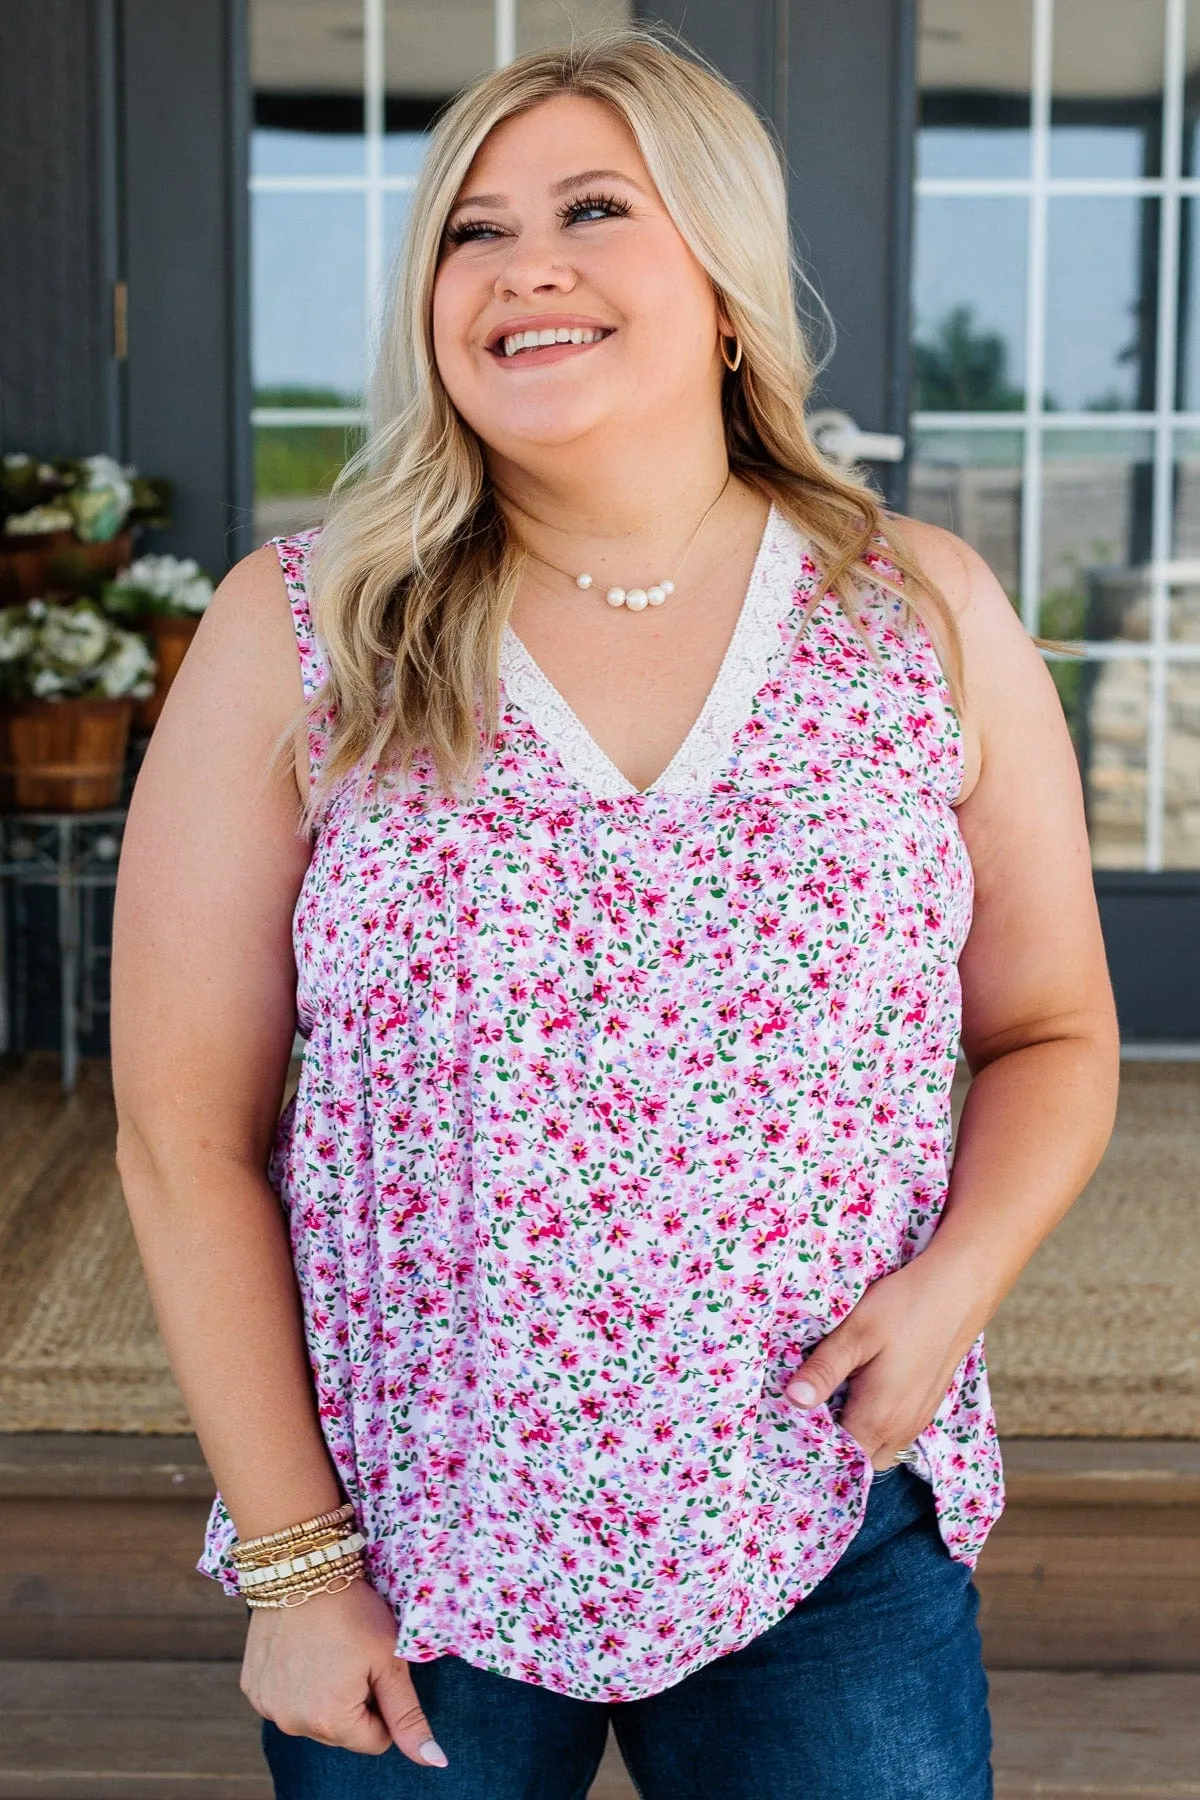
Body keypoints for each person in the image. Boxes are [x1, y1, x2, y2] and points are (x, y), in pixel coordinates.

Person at [111, 26, 1119, 1800]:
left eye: (591, 207)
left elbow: (1053, 1031)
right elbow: (181, 1137)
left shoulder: (920, 616)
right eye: (469, 232)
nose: (525, 267)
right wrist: (294, 1564)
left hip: (822, 1523)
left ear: (725, 284)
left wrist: (960, 1285)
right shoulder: (303, 630)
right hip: (415, 1543)